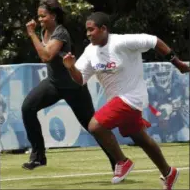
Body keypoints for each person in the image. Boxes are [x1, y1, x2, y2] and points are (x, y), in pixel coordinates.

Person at [62, 12, 190, 189]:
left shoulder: (122, 42)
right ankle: (169, 172)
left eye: (91, 29)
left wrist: (178, 64)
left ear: (104, 29)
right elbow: (80, 79)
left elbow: (154, 41)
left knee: (95, 126)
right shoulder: (90, 52)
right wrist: (70, 68)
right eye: (87, 31)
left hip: (132, 97)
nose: (88, 34)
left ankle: (122, 161)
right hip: (118, 100)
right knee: (142, 139)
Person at [22, 0, 116, 171]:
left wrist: (31, 34)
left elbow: (46, 56)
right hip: (53, 84)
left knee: (93, 126)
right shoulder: (44, 30)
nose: (40, 19)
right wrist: (36, 33)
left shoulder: (60, 33)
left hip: (73, 86)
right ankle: (38, 157)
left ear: (54, 16)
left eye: (43, 16)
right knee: (27, 108)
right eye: (39, 16)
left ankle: (118, 161)